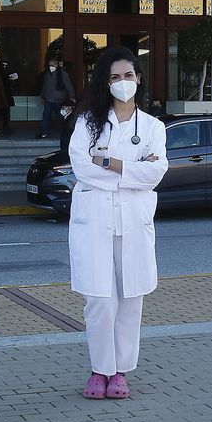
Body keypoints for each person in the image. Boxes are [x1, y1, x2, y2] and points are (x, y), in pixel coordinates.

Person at [67, 47, 168, 400]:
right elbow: (82, 169)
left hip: (133, 222)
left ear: (138, 78)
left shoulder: (154, 127)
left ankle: (121, 371)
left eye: (128, 75)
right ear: (104, 83)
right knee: (99, 300)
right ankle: (100, 370)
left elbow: (156, 174)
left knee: (130, 298)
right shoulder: (87, 124)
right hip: (95, 221)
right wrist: (133, 169)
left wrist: (110, 163)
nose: (122, 83)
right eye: (114, 77)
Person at [39, 56, 75, 139]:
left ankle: (65, 133)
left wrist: (72, 96)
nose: (51, 67)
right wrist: (42, 96)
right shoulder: (47, 74)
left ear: (56, 64)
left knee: (61, 116)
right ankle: (44, 133)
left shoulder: (62, 73)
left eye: (52, 65)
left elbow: (68, 85)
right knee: (46, 116)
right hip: (48, 99)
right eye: (49, 65)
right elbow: (45, 86)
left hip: (59, 99)